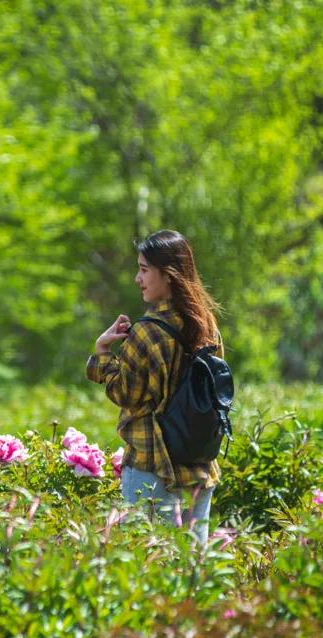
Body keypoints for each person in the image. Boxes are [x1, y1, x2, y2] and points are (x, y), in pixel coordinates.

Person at [86, 229, 222, 543]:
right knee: (192, 568)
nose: (137, 278)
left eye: (144, 270)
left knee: (148, 563)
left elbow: (126, 395)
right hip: (199, 464)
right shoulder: (208, 325)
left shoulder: (147, 332)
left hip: (152, 467)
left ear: (169, 275)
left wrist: (102, 353)